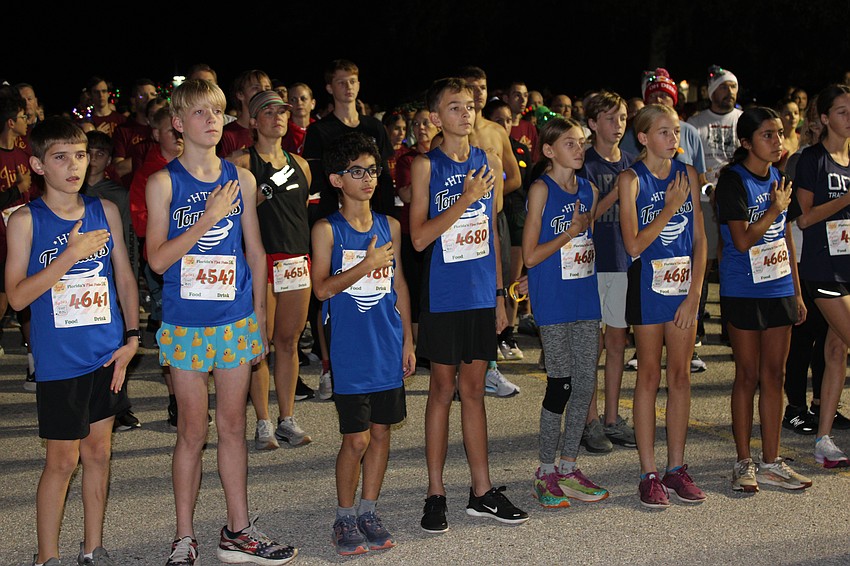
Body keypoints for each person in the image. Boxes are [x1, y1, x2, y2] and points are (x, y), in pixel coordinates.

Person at [144, 78, 296, 565]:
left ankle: (238, 531)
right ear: (178, 123)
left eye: (217, 111)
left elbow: (255, 252)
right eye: (199, 112)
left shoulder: (243, 179)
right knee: (193, 430)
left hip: (234, 321)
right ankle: (184, 537)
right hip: (186, 324)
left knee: (233, 427)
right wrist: (207, 218)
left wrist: (258, 323)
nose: (211, 120)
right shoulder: (163, 182)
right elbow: (158, 261)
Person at [7, 116, 139, 566]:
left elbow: (123, 275)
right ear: (38, 165)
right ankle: (47, 557)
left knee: (99, 452)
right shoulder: (26, 220)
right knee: (62, 462)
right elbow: (17, 295)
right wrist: (69, 256)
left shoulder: (105, 211)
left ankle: (92, 547)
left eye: (80, 155)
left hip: (105, 352)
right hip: (60, 360)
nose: (73, 166)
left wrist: (133, 335)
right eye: (60, 157)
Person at [410, 77, 528, 532]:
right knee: (442, 390)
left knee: (475, 391)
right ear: (437, 118)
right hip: (443, 293)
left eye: (470, 104)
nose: (466, 112)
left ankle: (481, 491)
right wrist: (463, 199)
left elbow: (492, 238)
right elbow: (419, 237)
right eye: (454, 107)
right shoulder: (426, 166)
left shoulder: (488, 160)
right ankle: (435, 491)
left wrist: (500, 295)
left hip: (481, 293)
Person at [311, 131, 414, 555]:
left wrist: (409, 338)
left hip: (387, 344)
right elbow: (320, 290)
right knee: (355, 439)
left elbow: (400, 284)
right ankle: (344, 515)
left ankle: (369, 510)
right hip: (351, 350)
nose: (368, 179)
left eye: (372, 170)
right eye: (357, 172)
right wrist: (366, 264)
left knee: (382, 432)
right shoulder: (326, 229)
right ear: (337, 180)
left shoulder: (390, 224)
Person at [715, 106, 812, 492]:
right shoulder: (733, 181)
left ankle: (772, 460)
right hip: (743, 290)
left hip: (779, 287)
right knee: (748, 375)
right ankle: (744, 461)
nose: (777, 141)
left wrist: (797, 292)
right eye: (768, 135)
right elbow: (740, 240)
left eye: (779, 133)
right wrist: (774, 207)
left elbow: (786, 238)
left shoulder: (780, 177)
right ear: (746, 142)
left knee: (776, 375)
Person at [618, 103, 708, 508]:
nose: (674, 139)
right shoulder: (630, 180)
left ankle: (677, 467)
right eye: (665, 133)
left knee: (682, 376)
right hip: (648, 285)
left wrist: (695, 294)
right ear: (643, 137)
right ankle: (648, 472)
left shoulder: (687, 173)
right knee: (649, 377)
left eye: (676, 132)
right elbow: (633, 244)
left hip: (683, 287)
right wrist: (670, 208)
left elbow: (701, 240)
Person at [522, 116, 610, 508]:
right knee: (561, 385)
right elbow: (530, 254)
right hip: (554, 302)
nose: (579, 149)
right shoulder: (541, 189)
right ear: (549, 151)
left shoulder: (588, 190)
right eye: (570, 144)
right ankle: (544, 470)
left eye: (581, 143)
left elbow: (583, 245)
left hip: (584, 297)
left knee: (586, 384)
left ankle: (568, 465)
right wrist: (569, 233)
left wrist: (578, 236)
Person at [226, 89, 317, 451]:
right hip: (261, 259)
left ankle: (287, 418)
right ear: (252, 120)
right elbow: (231, 213)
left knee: (290, 342)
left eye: (282, 111)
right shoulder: (241, 162)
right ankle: (263, 421)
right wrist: (261, 191)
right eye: (268, 112)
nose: (278, 117)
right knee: (259, 343)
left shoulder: (301, 163)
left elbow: (301, 215)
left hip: (296, 259)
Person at [793, 83, 850, 469]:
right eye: (843, 111)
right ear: (825, 118)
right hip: (821, 266)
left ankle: (823, 440)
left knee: (836, 351)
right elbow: (804, 217)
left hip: (849, 263)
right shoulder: (813, 159)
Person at [577, 90, 637, 452]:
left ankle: (613, 418)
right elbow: (584, 218)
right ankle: (590, 420)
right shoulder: (583, 164)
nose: (618, 125)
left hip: (621, 263)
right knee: (590, 346)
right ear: (593, 123)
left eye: (623, 118)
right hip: (590, 264)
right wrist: (617, 193)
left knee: (617, 342)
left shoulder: (631, 163)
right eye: (611, 118)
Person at [782, 97, 833, 435]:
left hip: (832, 257)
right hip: (801, 257)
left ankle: (822, 404)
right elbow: (796, 215)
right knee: (803, 337)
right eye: (812, 121)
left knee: (830, 338)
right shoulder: (800, 160)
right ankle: (796, 409)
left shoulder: (838, 160)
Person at [688, 65, 743, 348]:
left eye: (733, 87)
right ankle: (696, 326)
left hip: (736, 200)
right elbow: (693, 165)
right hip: (706, 199)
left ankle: (730, 326)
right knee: (704, 261)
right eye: (723, 87)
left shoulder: (744, 120)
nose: (729, 92)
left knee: (732, 260)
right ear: (712, 92)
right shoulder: (697, 123)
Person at [0, 94, 35, 388]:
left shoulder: (24, 154)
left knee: (27, 301)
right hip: (0, 242)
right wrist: (15, 189)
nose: (28, 121)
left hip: (21, 241)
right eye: (23, 117)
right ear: (11, 122)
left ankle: (34, 363)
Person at [216, 69, 272, 158]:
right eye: (256, 88)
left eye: (267, 89)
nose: (263, 92)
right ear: (240, 94)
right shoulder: (226, 135)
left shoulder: (272, 131)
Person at [282, 82, 316, 156]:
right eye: (293, 100)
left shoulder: (320, 128)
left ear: (312, 103)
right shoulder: (283, 129)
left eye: (303, 99)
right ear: (288, 104)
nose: (299, 102)